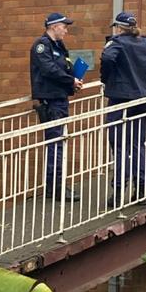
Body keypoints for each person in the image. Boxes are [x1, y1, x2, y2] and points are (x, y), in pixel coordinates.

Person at [101, 12, 146, 207]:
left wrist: (107, 79)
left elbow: (107, 59)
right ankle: (140, 190)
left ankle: (118, 192)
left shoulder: (117, 42)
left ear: (118, 27)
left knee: (120, 145)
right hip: (144, 98)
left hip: (121, 99)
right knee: (138, 144)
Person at [30, 13, 84, 201]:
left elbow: (63, 69)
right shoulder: (42, 45)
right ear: (53, 26)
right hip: (51, 101)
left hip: (60, 99)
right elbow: (49, 70)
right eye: (64, 27)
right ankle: (56, 188)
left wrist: (74, 81)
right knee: (56, 144)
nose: (66, 30)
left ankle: (55, 186)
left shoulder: (60, 47)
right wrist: (71, 80)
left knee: (58, 143)